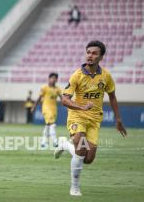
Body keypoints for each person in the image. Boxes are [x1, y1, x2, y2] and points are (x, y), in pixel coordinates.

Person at [54, 40, 127, 196]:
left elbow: (112, 97)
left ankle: (65, 145)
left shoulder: (106, 76)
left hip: (94, 119)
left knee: (88, 159)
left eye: (94, 53)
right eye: (88, 52)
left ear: (101, 57)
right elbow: (65, 100)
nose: (90, 55)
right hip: (77, 116)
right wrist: (81, 107)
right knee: (80, 147)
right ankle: (74, 187)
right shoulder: (77, 75)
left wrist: (118, 119)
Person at [31, 73, 62, 148]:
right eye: (52, 78)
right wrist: (34, 106)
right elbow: (39, 97)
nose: (54, 79)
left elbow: (62, 98)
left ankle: (43, 142)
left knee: (48, 125)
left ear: (57, 80)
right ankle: (55, 141)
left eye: (55, 78)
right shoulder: (44, 87)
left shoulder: (58, 89)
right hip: (46, 107)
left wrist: (68, 105)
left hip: (54, 108)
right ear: (49, 79)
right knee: (52, 124)